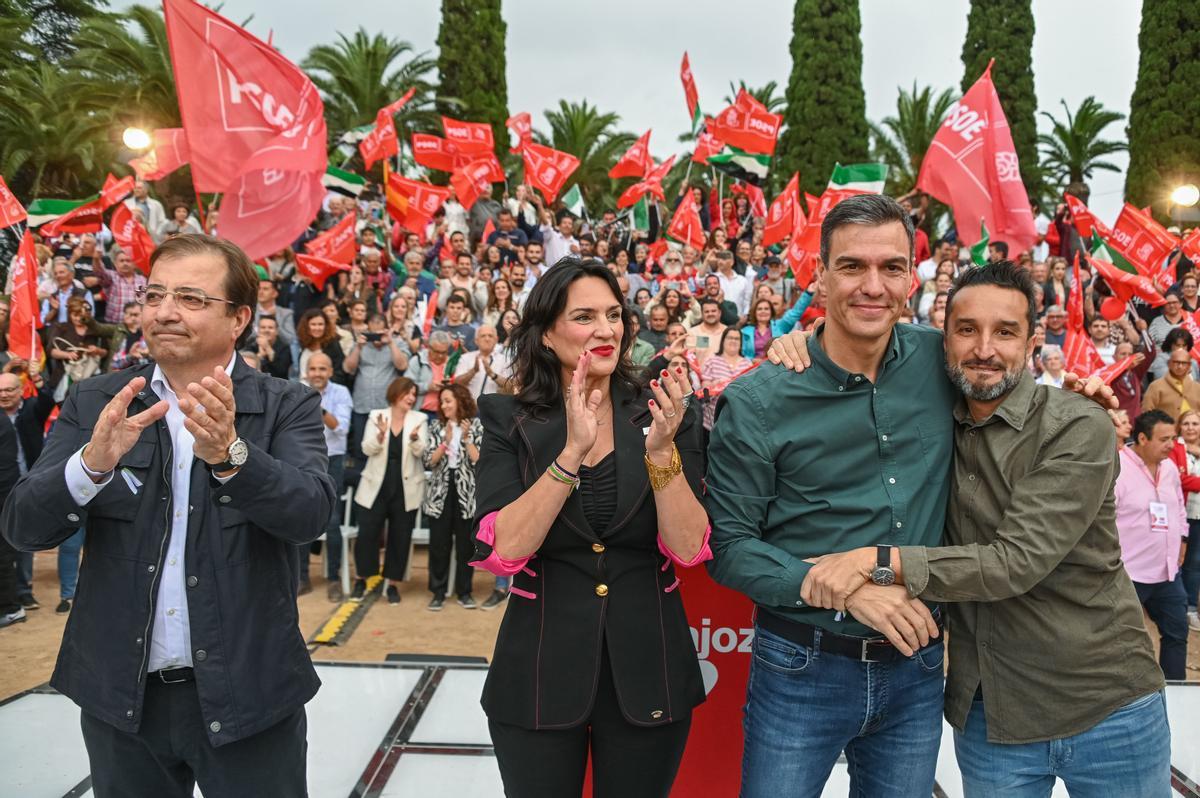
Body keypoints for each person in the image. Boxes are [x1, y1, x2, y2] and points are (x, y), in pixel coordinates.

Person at [798, 263, 1169, 796]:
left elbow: (1016, 561)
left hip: (1106, 708)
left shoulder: (1076, 424)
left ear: (1033, 341)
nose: (984, 349)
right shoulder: (926, 421)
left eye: (1005, 332)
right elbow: (853, 340)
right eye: (967, 329)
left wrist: (877, 560)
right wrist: (801, 342)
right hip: (991, 716)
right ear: (942, 338)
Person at [0, 233, 335, 795]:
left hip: (251, 692)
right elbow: (23, 526)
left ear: (239, 318)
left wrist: (233, 458)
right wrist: (91, 466)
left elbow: (310, 514)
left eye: (191, 298)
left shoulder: (285, 403)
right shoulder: (98, 403)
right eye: (154, 296)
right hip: (121, 701)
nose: (165, 312)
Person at [469, 258, 709, 797]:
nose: (606, 329)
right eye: (584, 316)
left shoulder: (665, 411)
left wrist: (662, 454)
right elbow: (504, 550)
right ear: (547, 333)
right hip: (537, 670)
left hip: (651, 667)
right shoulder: (507, 419)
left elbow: (690, 547)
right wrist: (571, 453)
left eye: (614, 314)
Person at [1115, 409, 1190, 681]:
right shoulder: (1118, 468)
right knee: (1122, 643)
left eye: (1173, 437)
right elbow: (1103, 519)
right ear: (1143, 438)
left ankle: (1176, 690)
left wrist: (1182, 537)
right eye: (1165, 439)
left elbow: (1178, 507)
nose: (1172, 445)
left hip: (1168, 572)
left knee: (1177, 633)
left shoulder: (1169, 468)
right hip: (1129, 575)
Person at [353, 377, 428, 604]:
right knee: (367, 533)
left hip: (406, 488)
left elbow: (421, 452)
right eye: (408, 393)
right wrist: (380, 436)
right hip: (375, 486)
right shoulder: (377, 416)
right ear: (396, 393)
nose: (411, 398)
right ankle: (361, 579)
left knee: (400, 536)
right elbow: (366, 449)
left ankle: (393, 584)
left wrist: (415, 439)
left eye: (414, 394)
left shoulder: (420, 419)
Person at [422, 383, 483, 610]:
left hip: (466, 493)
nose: (444, 405)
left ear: (460, 400)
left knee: (466, 546)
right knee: (439, 544)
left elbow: (479, 460)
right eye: (442, 401)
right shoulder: (437, 426)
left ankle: (464, 592)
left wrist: (466, 439)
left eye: (448, 400)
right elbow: (429, 460)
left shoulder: (476, 426)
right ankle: (437, 592)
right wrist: (446, 441)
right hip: (440, 492)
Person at [302, 352, 352, 602]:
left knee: (332, 522)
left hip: (333, 459)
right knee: (299, 518)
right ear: (306, 372)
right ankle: (301, 578)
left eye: (323, 369)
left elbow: (341, 427)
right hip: (302, 458)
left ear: (331, 371)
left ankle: (334, 578)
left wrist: (315, 405)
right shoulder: (295, 389)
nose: (318, 374)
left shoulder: (341, 393)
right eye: (313, 369)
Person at [343, 314, 410, 466]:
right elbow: (347, 368)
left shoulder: (397, 343)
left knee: (384, 449)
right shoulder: (360, 344)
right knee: (361, 449)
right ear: (367, 330)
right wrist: (358, 347)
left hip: (385, 407)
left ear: (386, 329)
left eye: (379, 334)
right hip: (362, 405)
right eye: (373, 333)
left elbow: (402, 366)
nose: (376, 338)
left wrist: (391, 342)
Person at [1173, 409, 1200, 631]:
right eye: (1187, 423)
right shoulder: (1175, 447)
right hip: (1181, 512)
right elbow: (1177, 478)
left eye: (1195, 424)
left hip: (1199, 514)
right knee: (1178, 559)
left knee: (1195, 562)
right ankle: (1176, 605)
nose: (1191, 427)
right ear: (1180, 426)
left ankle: (1190, 607)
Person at [699, 327, 751, 431]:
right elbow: (704, 393)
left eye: (737, 339)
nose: (733, 341)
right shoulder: (712, 361)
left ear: (741, 343)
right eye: (730, 338)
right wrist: (716, 384)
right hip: (712, 421)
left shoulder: (747, 364)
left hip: (740, 421)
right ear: (723, 340)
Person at [740, 291, 811, 360]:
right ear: (754, 313)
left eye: (766, 309)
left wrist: (808, 293)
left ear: (771, 312)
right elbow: (741, 354)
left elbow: (795, 312)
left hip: (776, 364)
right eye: (759, 309)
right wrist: (752, 360)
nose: (763, 311)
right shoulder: (745, 331)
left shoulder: (780, 325)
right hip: (752, 367)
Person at [453, 324, 512, 399]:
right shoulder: (466, 358)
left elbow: (510, 387)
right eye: (483, 336)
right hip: (469, 408)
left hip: (493, 408)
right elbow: (456, 383)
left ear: (496, 340)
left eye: (490, 336)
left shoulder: (505, 360)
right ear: (476, 341)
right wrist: (473, 371)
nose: (487, 339)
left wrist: (492, 374)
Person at [1142, 347, 1200, 419]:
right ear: (1169, 364)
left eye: (1184, 363)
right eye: (1176, 362)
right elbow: (1146, 414)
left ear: (1189, 366)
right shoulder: (1156, 387)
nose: (1180, 366)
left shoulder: (1197, 388)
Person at [296, 308, 347, 387]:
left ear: (325, 326)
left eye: (320, 324)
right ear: (306, 327)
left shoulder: (333, 345)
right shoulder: (304, 345)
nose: (317, 328)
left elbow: (339, 374)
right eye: (313, 324)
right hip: (303, 393)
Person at [254, 315, 292, 380]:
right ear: (258, 331)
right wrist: (259, 357)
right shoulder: (251, 345)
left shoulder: (285, 347)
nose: (267, 330)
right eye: (263, 327)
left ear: (276, 331)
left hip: (279, 384)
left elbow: (281, 371)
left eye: (270, 327)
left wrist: (268, 349)